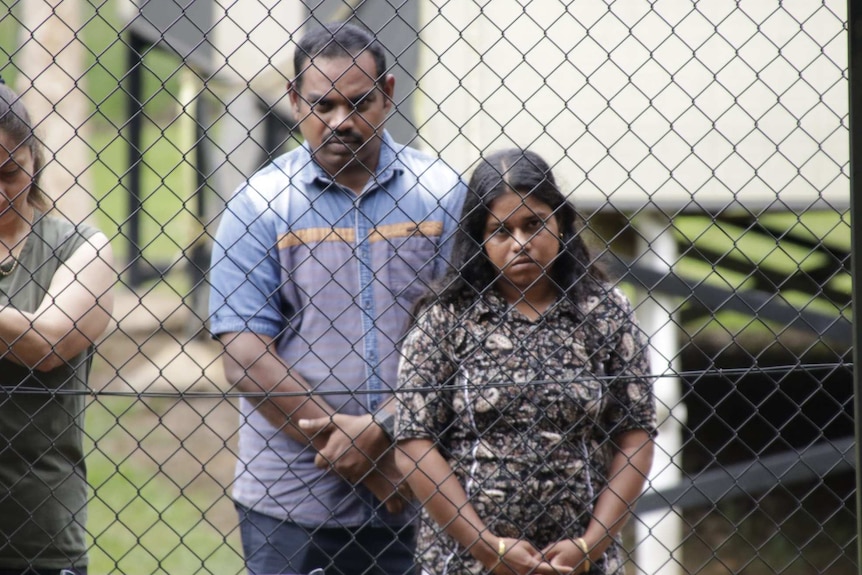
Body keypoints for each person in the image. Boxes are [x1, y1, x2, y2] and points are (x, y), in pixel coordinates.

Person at [208, 22, 466, 575]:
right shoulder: (257, 205)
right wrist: (362, 459)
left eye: (358, 103)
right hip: (291, 502)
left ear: (390, 93)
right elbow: (245, 356)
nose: (339, 122)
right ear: (294, 100)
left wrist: (384, 432)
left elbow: (468, 337)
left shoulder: (444, 195)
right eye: (321, 105)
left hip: (424, 491)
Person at [394, 148, 656, 575]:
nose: (520, 243)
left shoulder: (603, 311)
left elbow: (636, 433)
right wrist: (485, 546)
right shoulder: (448, 317)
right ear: (479, 239)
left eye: (534, 224)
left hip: (578, 562)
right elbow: (413, 445)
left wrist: (591, 544)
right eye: (501, 231)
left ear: (561, 222)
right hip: (466, 563)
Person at [0, 81, 115, 574]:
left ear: (35, 159)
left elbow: (46, 343)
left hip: (36, 534)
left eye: (9, 173)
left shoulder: (81, 248)